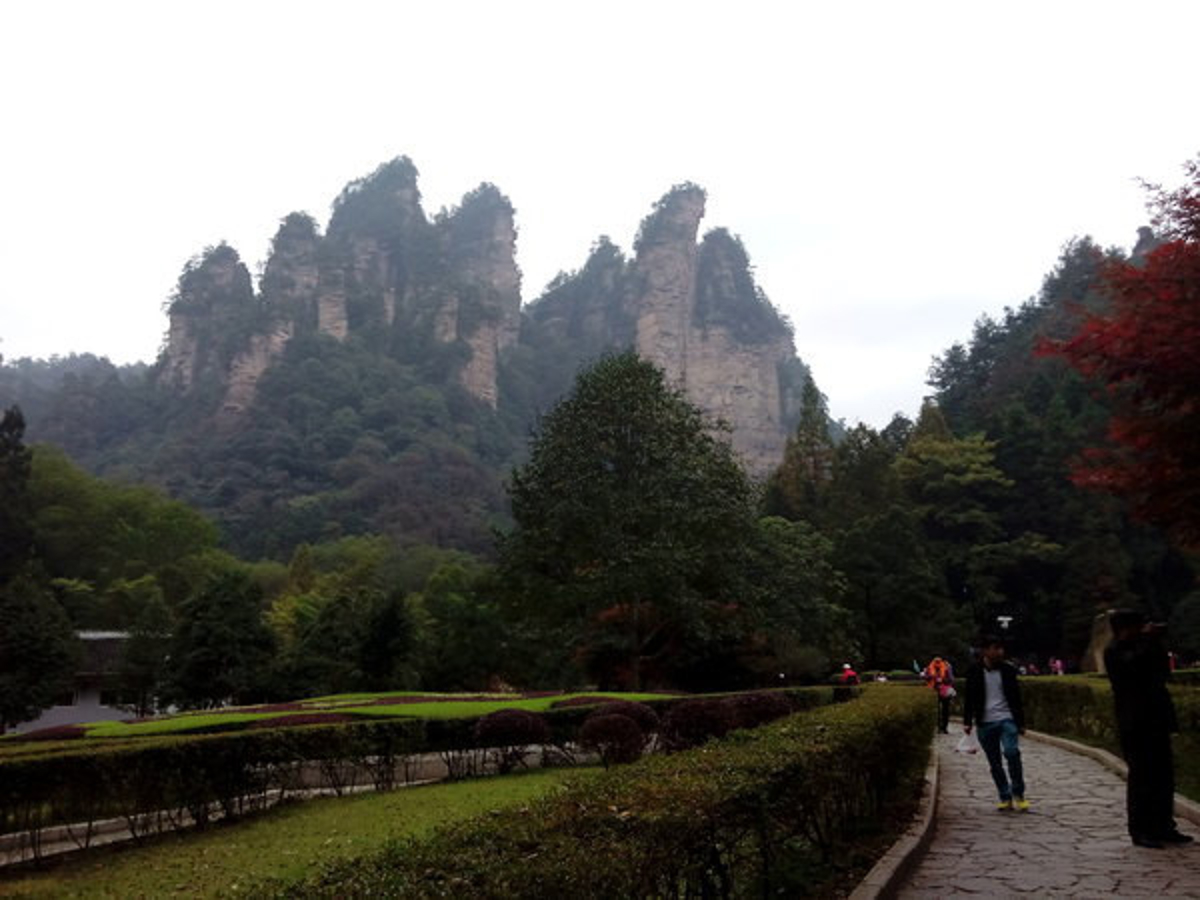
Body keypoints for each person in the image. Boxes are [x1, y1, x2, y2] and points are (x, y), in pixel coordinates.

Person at [1105, 609, 1193, 848]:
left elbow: (1162, 672)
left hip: (1157, 719)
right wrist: (1147, 640)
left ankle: (1164, 825)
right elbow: (1133, 670)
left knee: (1163, 776)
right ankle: (1141, 828)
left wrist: (1153, 641)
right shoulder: (1115, 651)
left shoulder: (1146, 646)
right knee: (1142, 778)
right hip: (1134, 722)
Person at [963, 635, 1029, 811]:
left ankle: (1018, 793)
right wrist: (967, 721)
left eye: (1001, 648)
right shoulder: (974, 671)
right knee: (995, 763)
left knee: (1011, 752)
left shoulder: (1008, 670)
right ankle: (1004, 795)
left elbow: (1016, 698)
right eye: (995, 648)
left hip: (1007, 718)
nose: (999, 652)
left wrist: (1021, 723)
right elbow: (969, 697)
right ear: (985, 650)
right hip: (985, 722)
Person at [925, 656, 955, 734]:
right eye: (936, 661)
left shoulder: (947, 668)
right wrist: (931, 677)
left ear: (941, 661)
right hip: (933, 691)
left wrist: (943, 680)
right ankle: (937, 727)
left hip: (944, 691)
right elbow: (926, 677)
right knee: (934, 710)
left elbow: (951, 679)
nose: (937, 662)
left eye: (939, 661)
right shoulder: (929, 667)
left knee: (945, 710)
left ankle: (944, 727)